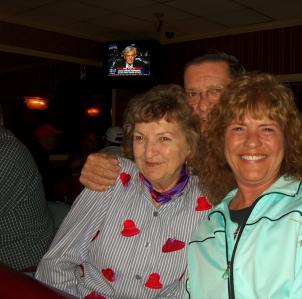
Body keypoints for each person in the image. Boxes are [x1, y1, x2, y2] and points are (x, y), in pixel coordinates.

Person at [79, 51, 302, 268]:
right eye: (193, 93)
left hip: (301, 255)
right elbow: (147, 149)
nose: (202, 105)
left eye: (215, 91)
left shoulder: (282, 128)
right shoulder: (190, 136)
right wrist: (106, 158)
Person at [186, 72, 302, 298]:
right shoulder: (207, 229)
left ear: (287, 140)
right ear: (221, 140)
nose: (252, 141)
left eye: (267, 128)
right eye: (238, 128)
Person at [35, 85, 209, 298]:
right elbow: (56, 263)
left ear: (190, 146)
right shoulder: (112, 178)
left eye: (164, 138)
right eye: (140, 138)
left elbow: (188, 290)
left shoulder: (207, 204)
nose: (148, 151)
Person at [0, 105, 54, 271]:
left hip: (24, 267)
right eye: (51, 136)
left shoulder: (6, 151)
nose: (54, 140)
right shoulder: (38, 153)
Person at [29, 123, 62, 201]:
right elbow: (49, 176)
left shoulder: (39, 152)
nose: (56, 140)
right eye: (53, 136)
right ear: (44, 138)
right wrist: (69, 168)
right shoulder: (39, 154)